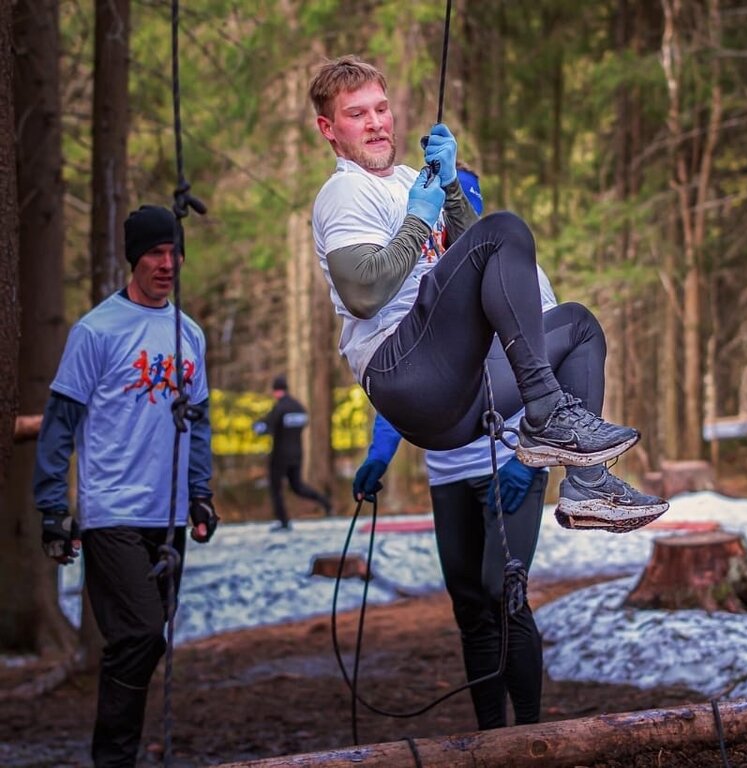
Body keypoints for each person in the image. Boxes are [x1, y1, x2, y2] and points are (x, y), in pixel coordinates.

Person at [307, 55, 667, 533]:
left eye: (381, 108)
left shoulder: (408, 180)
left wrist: (451, 189)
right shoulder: (344, 192)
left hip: (460, 400)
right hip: (404, 375)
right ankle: (546, 413)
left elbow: (487, 265)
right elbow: (364, 296)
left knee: (578, 326)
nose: (375, 124)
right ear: (328, 129)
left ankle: (588, 485)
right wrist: (418, 221)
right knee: (506, 229)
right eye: (357, 114)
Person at [354, 167, 552, 729]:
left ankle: (532, 734)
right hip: (447, 469)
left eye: (458, 205)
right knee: (469, 605)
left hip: (511, 459)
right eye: (441, 209)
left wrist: (528, 455)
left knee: (503, 596)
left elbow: (551, 369)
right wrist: (379, 452)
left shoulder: (523, 276)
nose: (447, 220)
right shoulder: (425, 284)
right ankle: (492, 735)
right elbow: (407, 379)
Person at [33, 204, 219, 767]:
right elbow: (60, 423)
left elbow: (202, 422)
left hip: (166, 514)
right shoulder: (96, 331)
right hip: (110, 508)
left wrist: (201, 493)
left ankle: (120, 755)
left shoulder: (190, 334)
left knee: (140, 643)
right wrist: (51, 507)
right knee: (140, 636)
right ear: (133, 258)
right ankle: (112, 759)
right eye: (155, 253)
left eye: (173, 253)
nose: (166, 264)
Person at [253, 375, 333, 529]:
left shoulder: (279, 408)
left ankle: (283, 520)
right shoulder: (298, 407)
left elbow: (266, 427)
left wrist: (257, 427)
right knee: (297, 486)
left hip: (280, 455)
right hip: (297, 454)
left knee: (275, 487)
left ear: (275, 391)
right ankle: (325, 502)